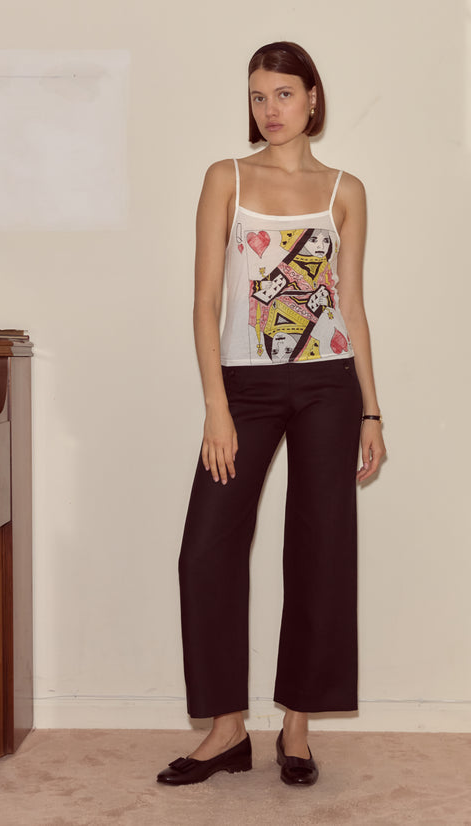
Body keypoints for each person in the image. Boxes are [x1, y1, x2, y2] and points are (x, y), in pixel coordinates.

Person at [157, 41, 385, 788]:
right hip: (244, 389)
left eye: (285, 95)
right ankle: (225, 730)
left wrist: (371, 412)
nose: (271, 110)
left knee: (321, 550)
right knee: (205, 550)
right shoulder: (226, 178)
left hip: (328, 385)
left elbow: (350, 305)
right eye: (259, 96)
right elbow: (204, 301)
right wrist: (215, 408)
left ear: (312, 98)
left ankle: (296, 725)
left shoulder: (344, 190)